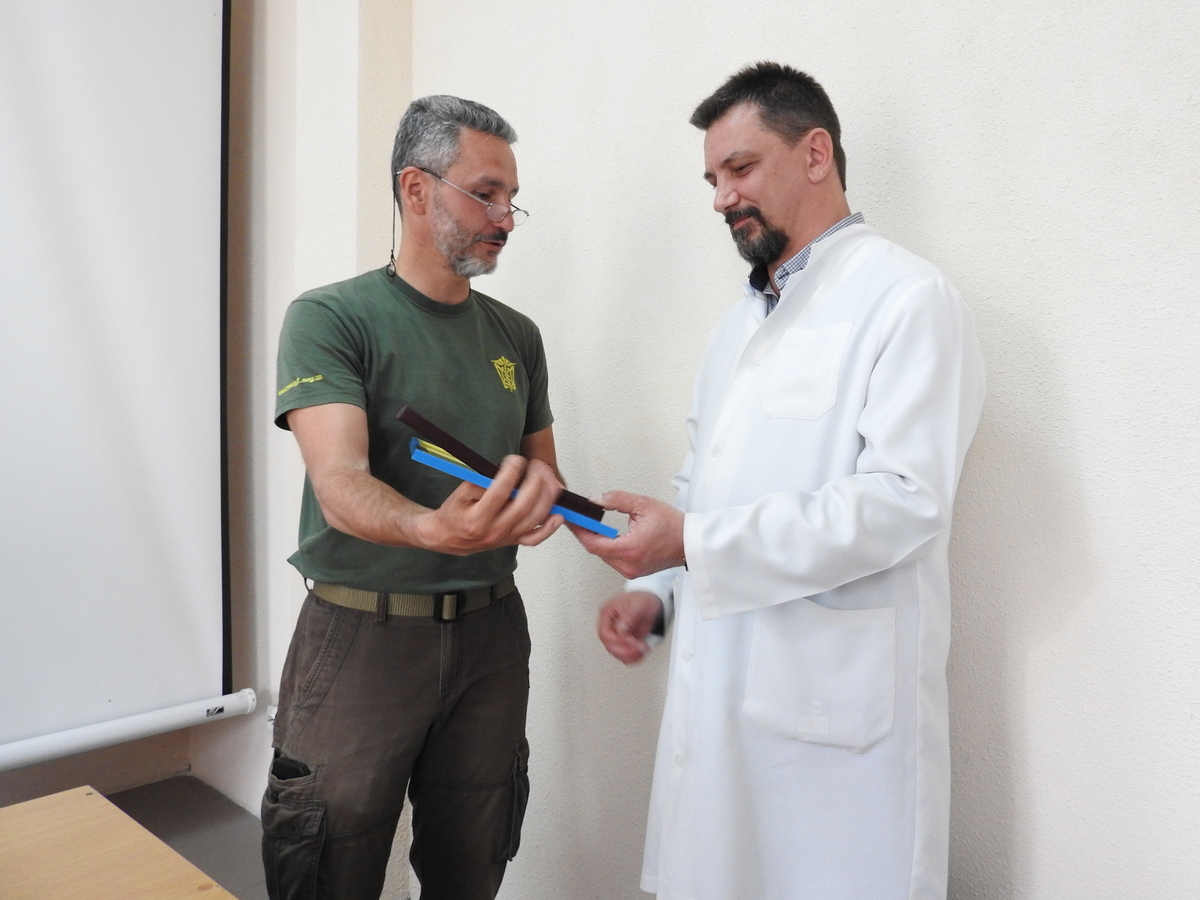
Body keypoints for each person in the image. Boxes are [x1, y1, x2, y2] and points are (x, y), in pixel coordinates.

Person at [574, 63, 986, 900]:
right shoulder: (739, 327)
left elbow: (904, 501)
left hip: (836, 732)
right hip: (724, 712)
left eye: (740, 168)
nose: (722, 197)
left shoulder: (908, 300)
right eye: (712, 180)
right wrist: (657, 591)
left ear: (815, 153)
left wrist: (692, 543)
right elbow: (702, 482)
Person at [261, 95, 565, 900]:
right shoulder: (331, 317)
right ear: (416, 188)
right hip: (363, 632)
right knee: (328, 859)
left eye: (512, 198)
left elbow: (543, 473)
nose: (505, 217)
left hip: (492, 633)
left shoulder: (517, 337)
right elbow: (339, 483)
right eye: (485, 193)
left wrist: (548, 503)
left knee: (475, 858)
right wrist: (433, 528)